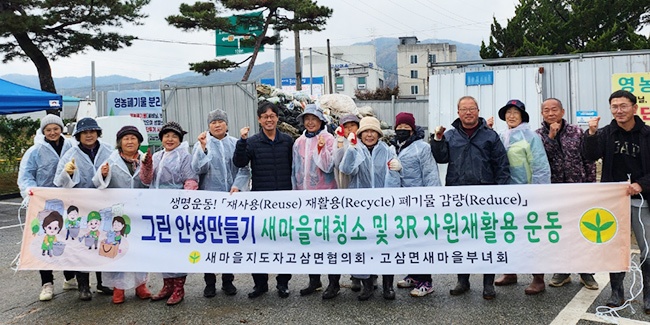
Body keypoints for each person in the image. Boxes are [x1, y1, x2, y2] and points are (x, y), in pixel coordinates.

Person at [430, 95, 510, 300]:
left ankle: (488, 284)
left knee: (487, 239)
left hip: (485, 194)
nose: (468, 112)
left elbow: (502, 165)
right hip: (458, 194)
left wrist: (500, 191)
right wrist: (437, 140)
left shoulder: (490, 136)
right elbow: (441, 158)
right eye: (464, 109)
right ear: (458, 112)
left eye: (472, 108)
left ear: (478, 111)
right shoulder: (450, 135)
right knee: (461, 239)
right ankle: (462, 281)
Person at [583, 89, 650, 313]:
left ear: (634, 108)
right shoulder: (605, 134)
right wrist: (591, 134)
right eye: (614, 106)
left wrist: (642, 184)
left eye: (623, 106)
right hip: (614, 202)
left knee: (647, 248)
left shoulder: (647, 134)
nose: (619, 110)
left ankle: (648, 296)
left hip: (642, 199)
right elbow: (590, 156)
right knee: (614, 247)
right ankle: (617, 292)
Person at [535, 98, 599, 290]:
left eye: (554, 109)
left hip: (577, 189)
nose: (550, 113)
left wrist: (590, 185)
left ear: (562, 112)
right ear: (542, 114)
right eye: (546, 110)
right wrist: (552, 136)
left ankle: (586, 271)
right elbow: (541, 160)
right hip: (553, 192)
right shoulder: (537, 136)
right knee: (559, 231)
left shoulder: (577, 132)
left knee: (581, 229)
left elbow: (588, 159)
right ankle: (562, 270)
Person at [233, 101, 294, 299]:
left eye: (272, 116)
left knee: (284, 242)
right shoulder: (251, 142)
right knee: (259, 242)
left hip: (284, 200)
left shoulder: (287, 141)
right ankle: (260, 284)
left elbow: (296, 167)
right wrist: (241, 141)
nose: (269, 119)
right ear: (259, 120)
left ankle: (283, 283)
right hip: (260, 201)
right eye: (265, 116)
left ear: (277, 118)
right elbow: (240, 162)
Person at [491, 100, 551, 295]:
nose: (511, 116)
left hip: (527, 193)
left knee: (532, 236)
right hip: (507, 195)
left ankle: (538, 278)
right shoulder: (501, 136)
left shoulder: (531, 137)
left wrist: (538, 193)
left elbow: (540, 166)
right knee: (508, 234)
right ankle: (510, 272)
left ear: (522, 116)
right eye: (508, 112)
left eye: (515, 112)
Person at [339, 116, 401, 300]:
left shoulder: (388, 150)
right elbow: (347, 170)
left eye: (373, 131)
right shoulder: (356, 149)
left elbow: (394, 177)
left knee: (385, 245)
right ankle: (367, 285)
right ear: (360, 134)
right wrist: (350, 150)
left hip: (383, 208)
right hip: (361, 207)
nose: (369, 135)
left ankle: (387, 286)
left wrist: (399, 169)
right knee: (364, 246)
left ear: (379, 134)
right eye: (365, 131)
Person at [17, 114, 77, 301]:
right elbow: (26, 175)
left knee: (68, 239)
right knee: (45, 242)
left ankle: (69, 277)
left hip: (67, 201)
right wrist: (30, 193)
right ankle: (47, 283)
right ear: (43, 131)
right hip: (43, 203)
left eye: (56, 128)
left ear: (61, 129)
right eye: (48, 129)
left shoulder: (71, 147)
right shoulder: (34, 151)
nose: (52, 132)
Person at [191, 109, 250, 298]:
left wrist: (237, 186)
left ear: (226, 124)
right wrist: (203, 149)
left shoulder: (234, 143)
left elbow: (244, 169)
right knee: (210, 241)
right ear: (208, 126)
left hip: (231, 200)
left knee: (228, 241)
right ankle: (209, 282)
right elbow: (197, 168)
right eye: (213, 122)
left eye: (220, 121)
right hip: (209, 202)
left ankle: (227, 280)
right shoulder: (201, 143)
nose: (217, 125)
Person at [54, 117, 114, 301]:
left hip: (104, 202)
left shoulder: (108, 150)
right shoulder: (70, 153)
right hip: (80, 205)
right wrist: (68, 173)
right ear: (78, 135)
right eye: (85, 132)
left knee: (103, 240)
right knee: (82, 244)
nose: (89, 135)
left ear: (98, 133)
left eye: (92, 131)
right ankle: (83, 285)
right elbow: (59, 181)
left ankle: (103, 282)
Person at [140, 121, 198, 305]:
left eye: (174, 136)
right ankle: (167, 285)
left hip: (176, 208)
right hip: (158, 207)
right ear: (161, 138)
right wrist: (146, 166)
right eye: (166, 135)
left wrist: (185, 203)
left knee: (177, 247)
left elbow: (190, 179)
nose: (170, 139)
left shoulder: (184, 156)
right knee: (163, 246)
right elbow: (146, 180)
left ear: (180, 139)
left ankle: (179, 287)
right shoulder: (156, 156)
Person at [92, 125, 151, 304]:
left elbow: (152, 182)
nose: (130, 142)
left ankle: (141, 285)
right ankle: (118, 288)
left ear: (139, 142)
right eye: (126, 139)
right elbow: (97, 183)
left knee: (140, 250)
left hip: (140, 211)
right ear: (120, 143)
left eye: (134, 138)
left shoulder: (145, 159)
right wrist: (102, 174)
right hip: (118, 214)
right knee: (118, 249)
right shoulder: (110, 160)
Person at [390, 112, 441, 297]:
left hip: (419, 201)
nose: (402, 130)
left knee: (421, 241)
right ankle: (413, 274)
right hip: (401, 202)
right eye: (399, 127)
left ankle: (426, 281)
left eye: (406, 127)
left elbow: (430, 173)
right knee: (407, 240)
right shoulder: (393, 147)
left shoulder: (422, 147)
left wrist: (432, 199)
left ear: (413, 129)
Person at [290, 104, 337, 297]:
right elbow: (295, 169)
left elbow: (328, 166)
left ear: (321, 121)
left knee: (329, 240)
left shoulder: (329, 139)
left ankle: (333, 283)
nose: (310, 122)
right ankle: (314, 280)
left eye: (314, 119)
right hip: (305, 197)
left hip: (325, 196)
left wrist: (319, 149)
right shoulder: (298, 142)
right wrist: (295, 193)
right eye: (307, 119)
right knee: (310, 240)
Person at [327, 113, 361, 299]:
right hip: (340, 193)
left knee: (358, 237)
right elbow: (337, 163)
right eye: (345, 126)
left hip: (359, 197)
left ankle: (360, 276)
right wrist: (340, 142)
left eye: (352, 126)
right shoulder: (337, 141)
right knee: (338, 238)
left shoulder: (363, 143)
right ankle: (334, 282)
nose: (349, 130)